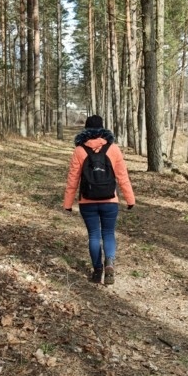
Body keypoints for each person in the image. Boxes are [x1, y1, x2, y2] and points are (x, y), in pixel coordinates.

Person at [63, 115, 135, 285]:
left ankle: (97, 271)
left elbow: (73, 179)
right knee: (108, 233)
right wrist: (130, 198)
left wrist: (68, 203)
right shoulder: (113, 148)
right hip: (110, 200)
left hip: (87, 201)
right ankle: (109, 262)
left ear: (86, 130)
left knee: (94, 235)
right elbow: (122, 176)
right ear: (103, 129)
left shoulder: (79, 150)